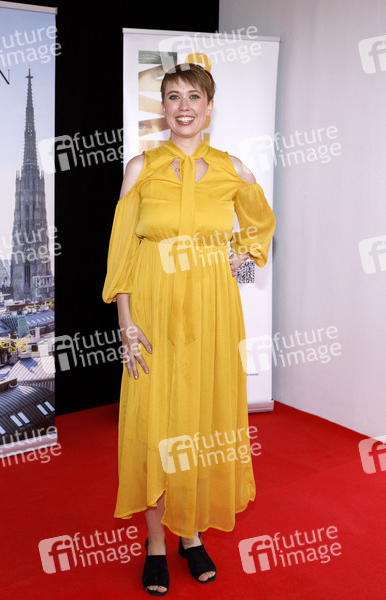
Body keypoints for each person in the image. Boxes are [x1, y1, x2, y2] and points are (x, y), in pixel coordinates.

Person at [102, 63, 276, 595]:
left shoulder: (231, 168)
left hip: (212, 313)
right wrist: (126, 323)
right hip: (152, 309)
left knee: (202, 419)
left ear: (209, 106)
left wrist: (241, 257)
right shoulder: (141, 168)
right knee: (153, 424)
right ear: (163, 107)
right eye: (173, 96)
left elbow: (260, 223)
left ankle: (192, 532)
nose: (183, 107)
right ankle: (157, 541)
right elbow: (123, 253)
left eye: (194, 97)